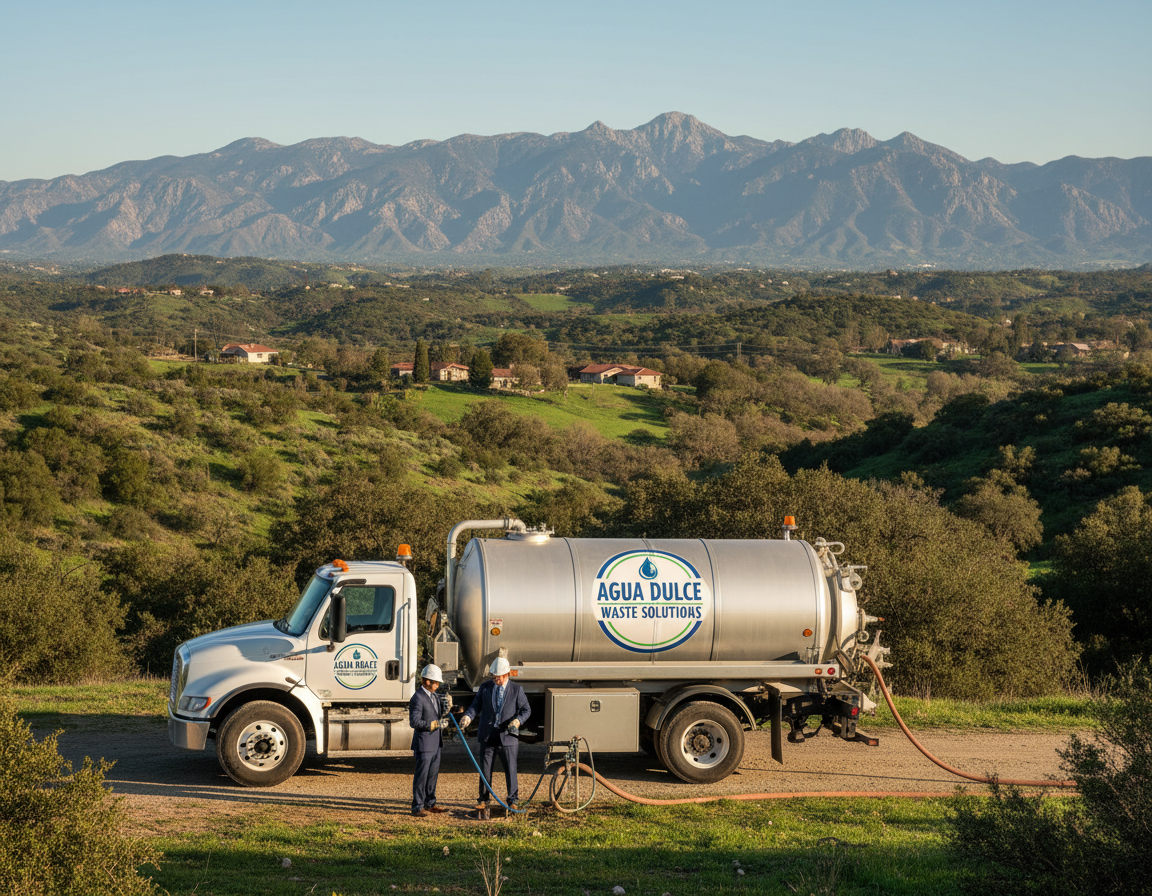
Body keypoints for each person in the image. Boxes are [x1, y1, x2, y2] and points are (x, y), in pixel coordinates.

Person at [459, 657, 531, 816]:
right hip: (488, 735)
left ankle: (513, 800)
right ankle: (483, 800)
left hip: (508, 736)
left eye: (498, 677)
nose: (495, 679)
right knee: (485, 769)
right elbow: (475, 706)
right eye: (493, 676)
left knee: (511, 769)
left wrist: (518, 721)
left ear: (506, 675)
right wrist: (468, 717)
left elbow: (526, 710)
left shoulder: (516, 690)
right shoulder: (485, 688)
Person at [408, 664, 449, 817]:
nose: (437, 686)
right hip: (424, 744)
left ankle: (430, 803)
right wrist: (431, 725)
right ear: (425, 681)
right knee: (422, 776)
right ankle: (417, 807)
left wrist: (452, 709)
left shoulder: (435, 696)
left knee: (432, 775)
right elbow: (414, 721)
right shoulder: (418, 698)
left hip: (436, 743)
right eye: (435, 682)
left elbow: (438, 714)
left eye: (438, 683)